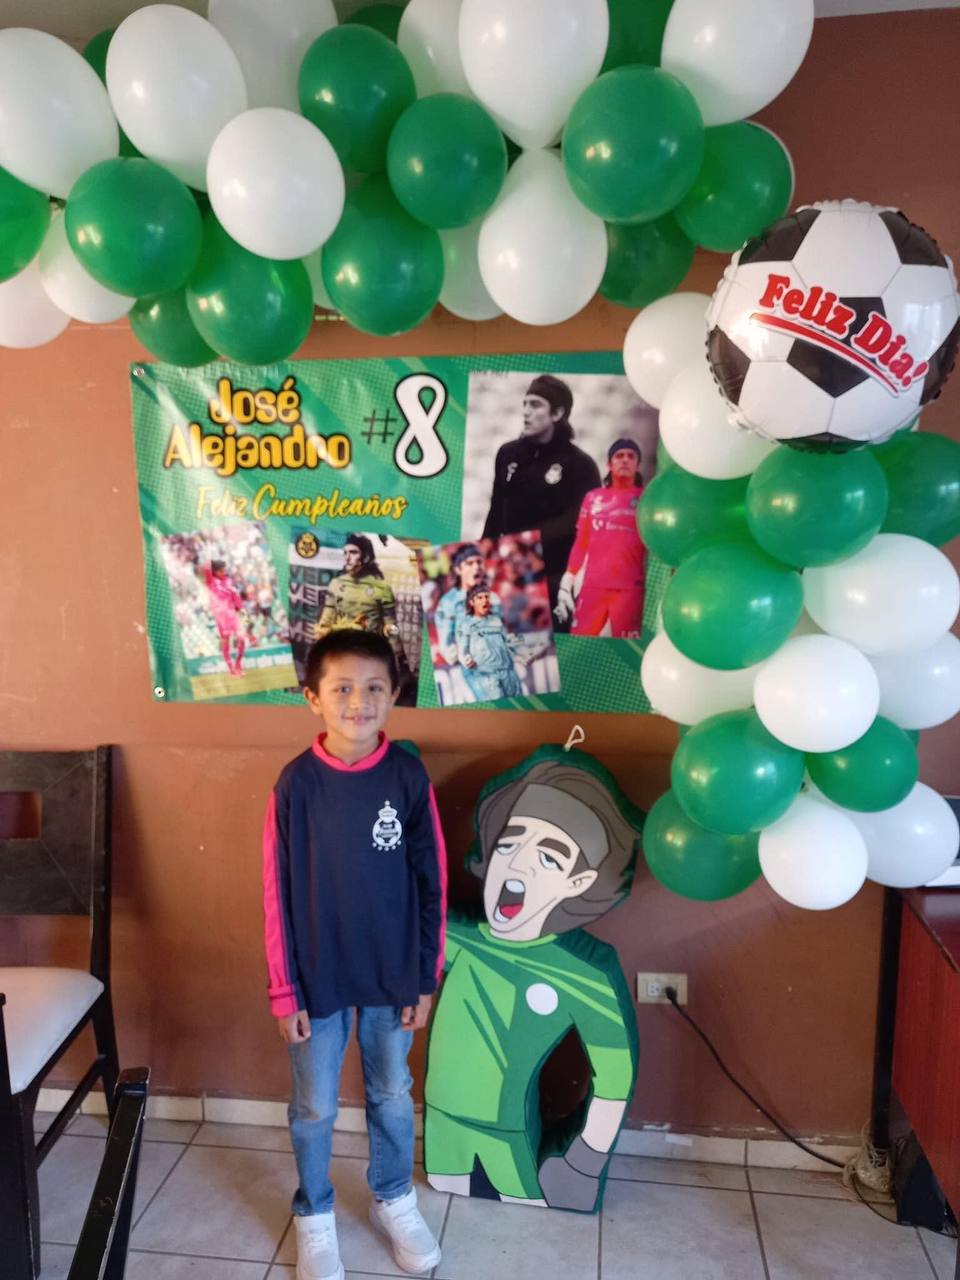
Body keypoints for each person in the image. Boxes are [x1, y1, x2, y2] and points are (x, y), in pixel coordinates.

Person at [263, 630, 447, 1280]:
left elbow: (433, 882)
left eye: (374, 688)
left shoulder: (407, 776)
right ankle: (314, 1213)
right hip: (317, 980)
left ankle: (393, 1197)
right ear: (312, 698)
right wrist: (284, 989)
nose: (358, 702)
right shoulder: (295, 785)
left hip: (394, 976)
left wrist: (424, 979)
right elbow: (276, 893)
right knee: (314, 1105)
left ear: (393, 695)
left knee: (392, 1093)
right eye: (342, 688)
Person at [423, 747, 642, 1212]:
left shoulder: (585, 974)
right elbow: (402, 924)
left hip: (510, 1145)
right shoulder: (459, 940)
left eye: (548, 857)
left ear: (578, 882)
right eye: (509, 844)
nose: (518, 864)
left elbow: (615, 1078)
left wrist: (583, 1162)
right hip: (444, 1133)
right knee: (447, 1181)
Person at [481, 376, 601, 620]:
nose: (526, 412)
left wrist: (523, 543)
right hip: (511, 574)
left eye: (535, 405)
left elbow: (579, 526)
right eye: (525, 404)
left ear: (557, 413)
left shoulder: (581, 465)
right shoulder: (507, 454)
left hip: (554, 580)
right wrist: (483, 560)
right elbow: (495, 513)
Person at [555, 438, 647, 639]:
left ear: (638, 465)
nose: (625, 460)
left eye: (631, 456)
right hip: (593, 587)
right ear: (609, 464)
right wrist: (568, 580)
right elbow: (582, 542)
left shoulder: (646, 499)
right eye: (619, 456)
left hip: (629, 590)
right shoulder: (593, 498)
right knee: (580, 644)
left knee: (622, 649)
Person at [315, 534, 408, 674]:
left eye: (353, 552)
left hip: (371, 652)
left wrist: (397, 652)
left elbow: (391, 625)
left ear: (366, 557)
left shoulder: (382, 588)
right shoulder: (336, 584)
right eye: (345, 553)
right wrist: (320, 639)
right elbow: (326, 621)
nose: (347, 557)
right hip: (342, 651)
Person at [433, 543, 501, 699]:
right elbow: (446, 644)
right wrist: (457, 653)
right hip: (476, 669)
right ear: (458, 569)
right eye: (469, 563)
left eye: (479, 562)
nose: (476, 567)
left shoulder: (492, 597)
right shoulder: (449, 602)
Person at [456, 583, 528, 702]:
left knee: (519, 703)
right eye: (480, 598)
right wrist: (466, 660)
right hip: (488, 675)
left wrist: (520, 654)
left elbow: (507, 642)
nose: (484, 600)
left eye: (486, 597)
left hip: (509, 672)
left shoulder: (496, 620)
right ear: (471, 602)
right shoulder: (465, 624)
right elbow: (462, 652)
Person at [200, 558, 247, 675]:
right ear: (215, 572)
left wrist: (243, 613)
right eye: (220, 570)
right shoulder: (211, 582)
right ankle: (231, 668)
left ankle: (238, 663)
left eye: (224, 570)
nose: (223, 572)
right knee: (226, 640)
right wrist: (210, 560)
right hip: (221, 617)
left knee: (241, 638)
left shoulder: (229, 581)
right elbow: (206, 568)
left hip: (233, 615)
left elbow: (236, 598)